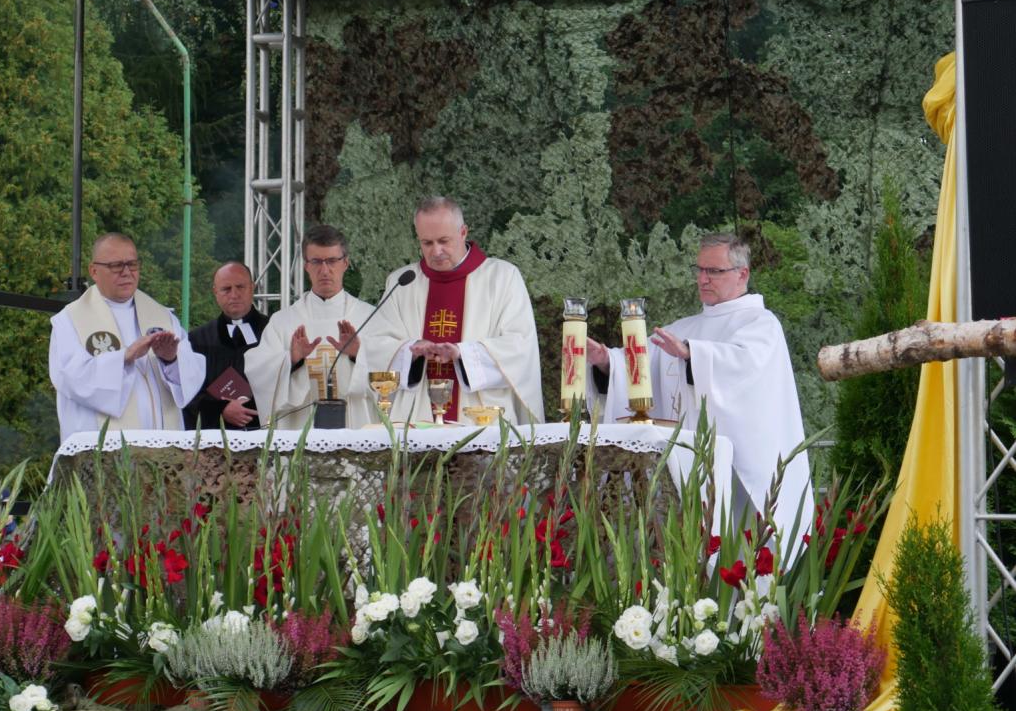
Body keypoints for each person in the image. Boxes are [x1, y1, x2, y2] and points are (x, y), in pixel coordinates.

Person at [585, 232, 814, 554]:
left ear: (742, 274)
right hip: (683, 469)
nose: (703, 279)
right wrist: (606, 362)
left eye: (714, 271)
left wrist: (695, 355)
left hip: (740, 468)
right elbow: (639, 370)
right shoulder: (685, 327)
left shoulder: (761, 324)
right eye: (700, 269)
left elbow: (747, 370)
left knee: (739, 545)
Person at [366, 197, 544, 425]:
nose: (436, 251)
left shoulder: (502, 277)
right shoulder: (402, 282)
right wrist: (411, 352)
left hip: (480, 418)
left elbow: (521, 348)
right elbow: (377, 346)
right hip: (414, 418)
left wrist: (464, 354)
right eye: (427, 243)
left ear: (463, 232)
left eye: (443, 241)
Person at [48, 232, 205, 441]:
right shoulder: (70, 320)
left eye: (132, 264)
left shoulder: (163, 316)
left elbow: (191, 376)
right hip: (102, 449)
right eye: (116, 265)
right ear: (94, 271)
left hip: (162, 448)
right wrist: (124, 357)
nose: (126, 272)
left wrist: (171, 359)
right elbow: (70, 379)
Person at [244, 225, 377, 428]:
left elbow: (392, 374)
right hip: (300, 429)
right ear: (306, 266)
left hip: (355, 428)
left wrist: (358, 354)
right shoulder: (283, 322)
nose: (324, 270)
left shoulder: (368, 317)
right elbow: (257, 372)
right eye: (316, 261)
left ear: (346, 263)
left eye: (332, 261)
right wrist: (291, 359)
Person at [184, 261, 268, 430]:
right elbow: (187, 392)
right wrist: (220, 409)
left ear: (253, 287)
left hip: (265, 432)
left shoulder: (274, 331)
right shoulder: (196, 339)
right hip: (214, 439)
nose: (234, 294)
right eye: (226, 289)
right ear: (215, 292)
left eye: (240, 287)